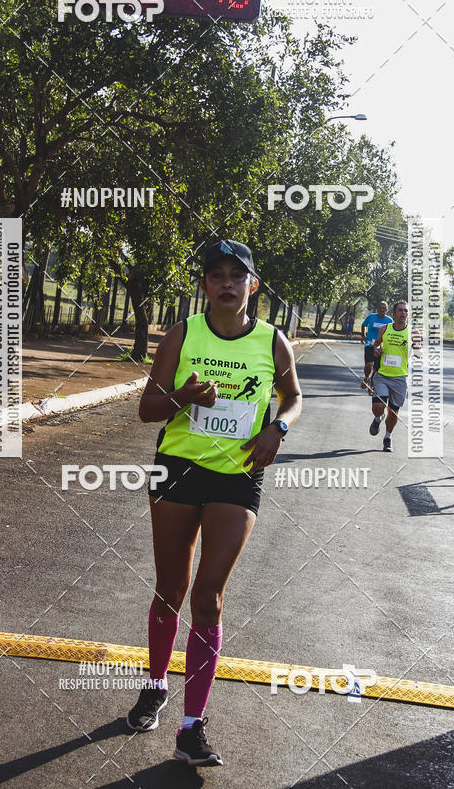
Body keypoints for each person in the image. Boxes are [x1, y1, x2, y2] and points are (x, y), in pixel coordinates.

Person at [127, 239, 302, 767]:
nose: (226, 283)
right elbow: (146, 409)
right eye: (216, 275)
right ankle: (156, 686)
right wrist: (184, 397)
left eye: (237, 275)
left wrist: (277, 428)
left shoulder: (274, 343)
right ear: (204, 285)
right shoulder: (183, 334)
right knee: (170, 590)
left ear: (252, 284)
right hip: (177, 469)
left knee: (208, 597)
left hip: (236, 476)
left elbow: (294, 399)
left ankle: (191, 726)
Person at [368, 300, 420, 452]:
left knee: (393, 411)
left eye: (406, 311)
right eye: (400, 310)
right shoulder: (385, 329)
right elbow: (376, 344)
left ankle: (387, 438)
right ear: (394, 313)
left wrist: (418, 350)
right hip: (383, 375)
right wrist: (376, 349)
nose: (403, 313)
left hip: (400, 378)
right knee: (378, 407)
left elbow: (418, 352)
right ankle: (378, 418)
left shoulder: (413, 332)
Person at [360, 301, 393, 393]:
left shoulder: (389, 321)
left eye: (384, 308)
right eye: (380, 308)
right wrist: (363, 335)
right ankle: (366, 378)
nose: (382, 310)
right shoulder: (371, 317)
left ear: (387, 309)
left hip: (381, 348)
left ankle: (372, 386)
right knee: (369, 365)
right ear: (378, 308)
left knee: (376, 369)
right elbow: (363, 325)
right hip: (370, 345)